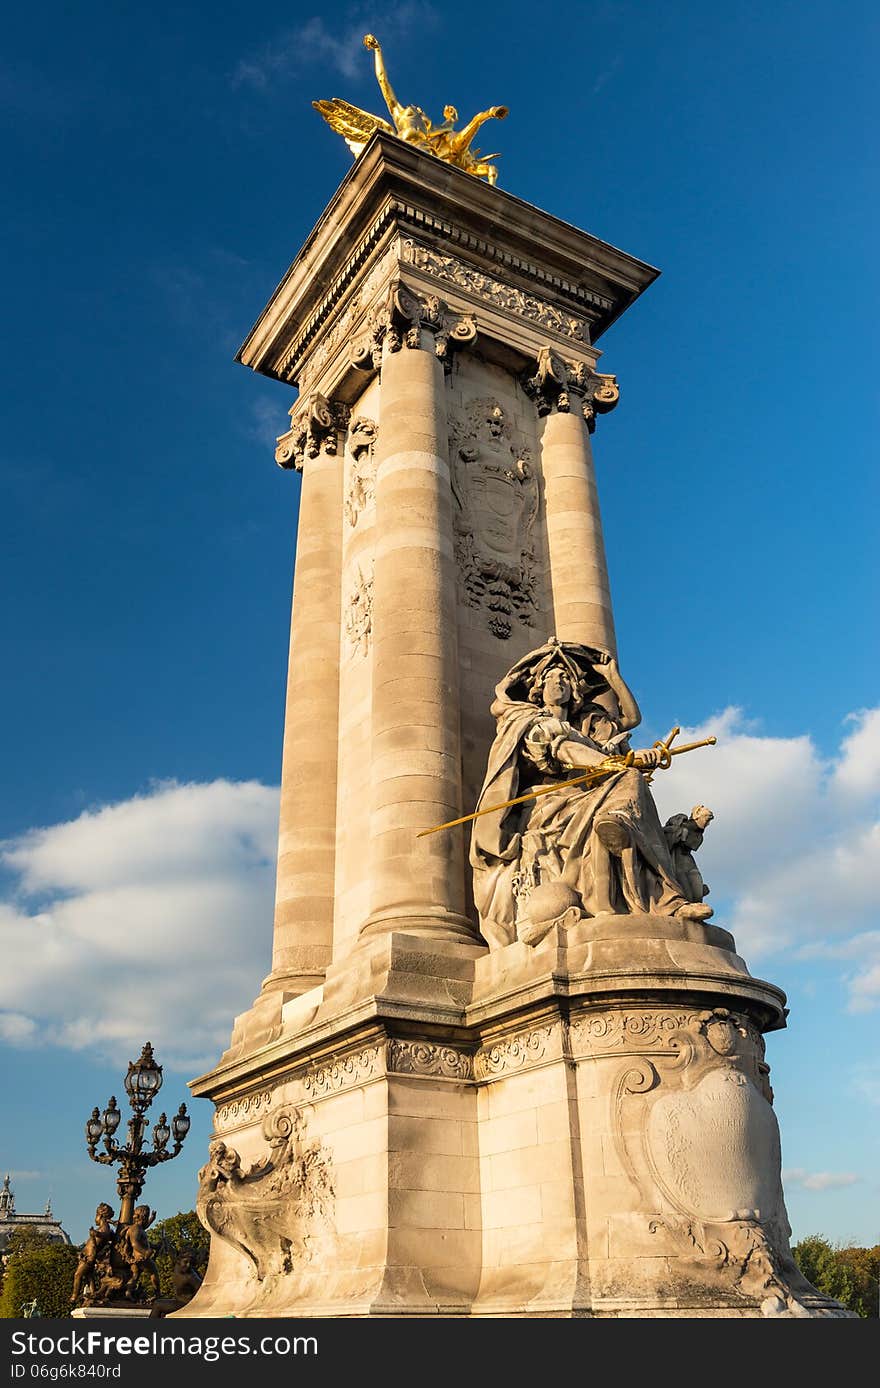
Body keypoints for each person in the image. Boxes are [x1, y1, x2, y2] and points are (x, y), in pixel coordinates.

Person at [470, 638, 713, 947]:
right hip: (550, 803)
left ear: (575, 690)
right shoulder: (530, 723)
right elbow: (561, 750)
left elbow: (629, 720)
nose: (558, 684)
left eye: (565, 679)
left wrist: (613, 678)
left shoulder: (589, 722)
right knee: (628, 780)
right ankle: (661, 889)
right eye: (551, 679)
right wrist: (610, 762)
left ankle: (666, 897)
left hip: (594, 795)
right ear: (538, 690)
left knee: (630, 783)